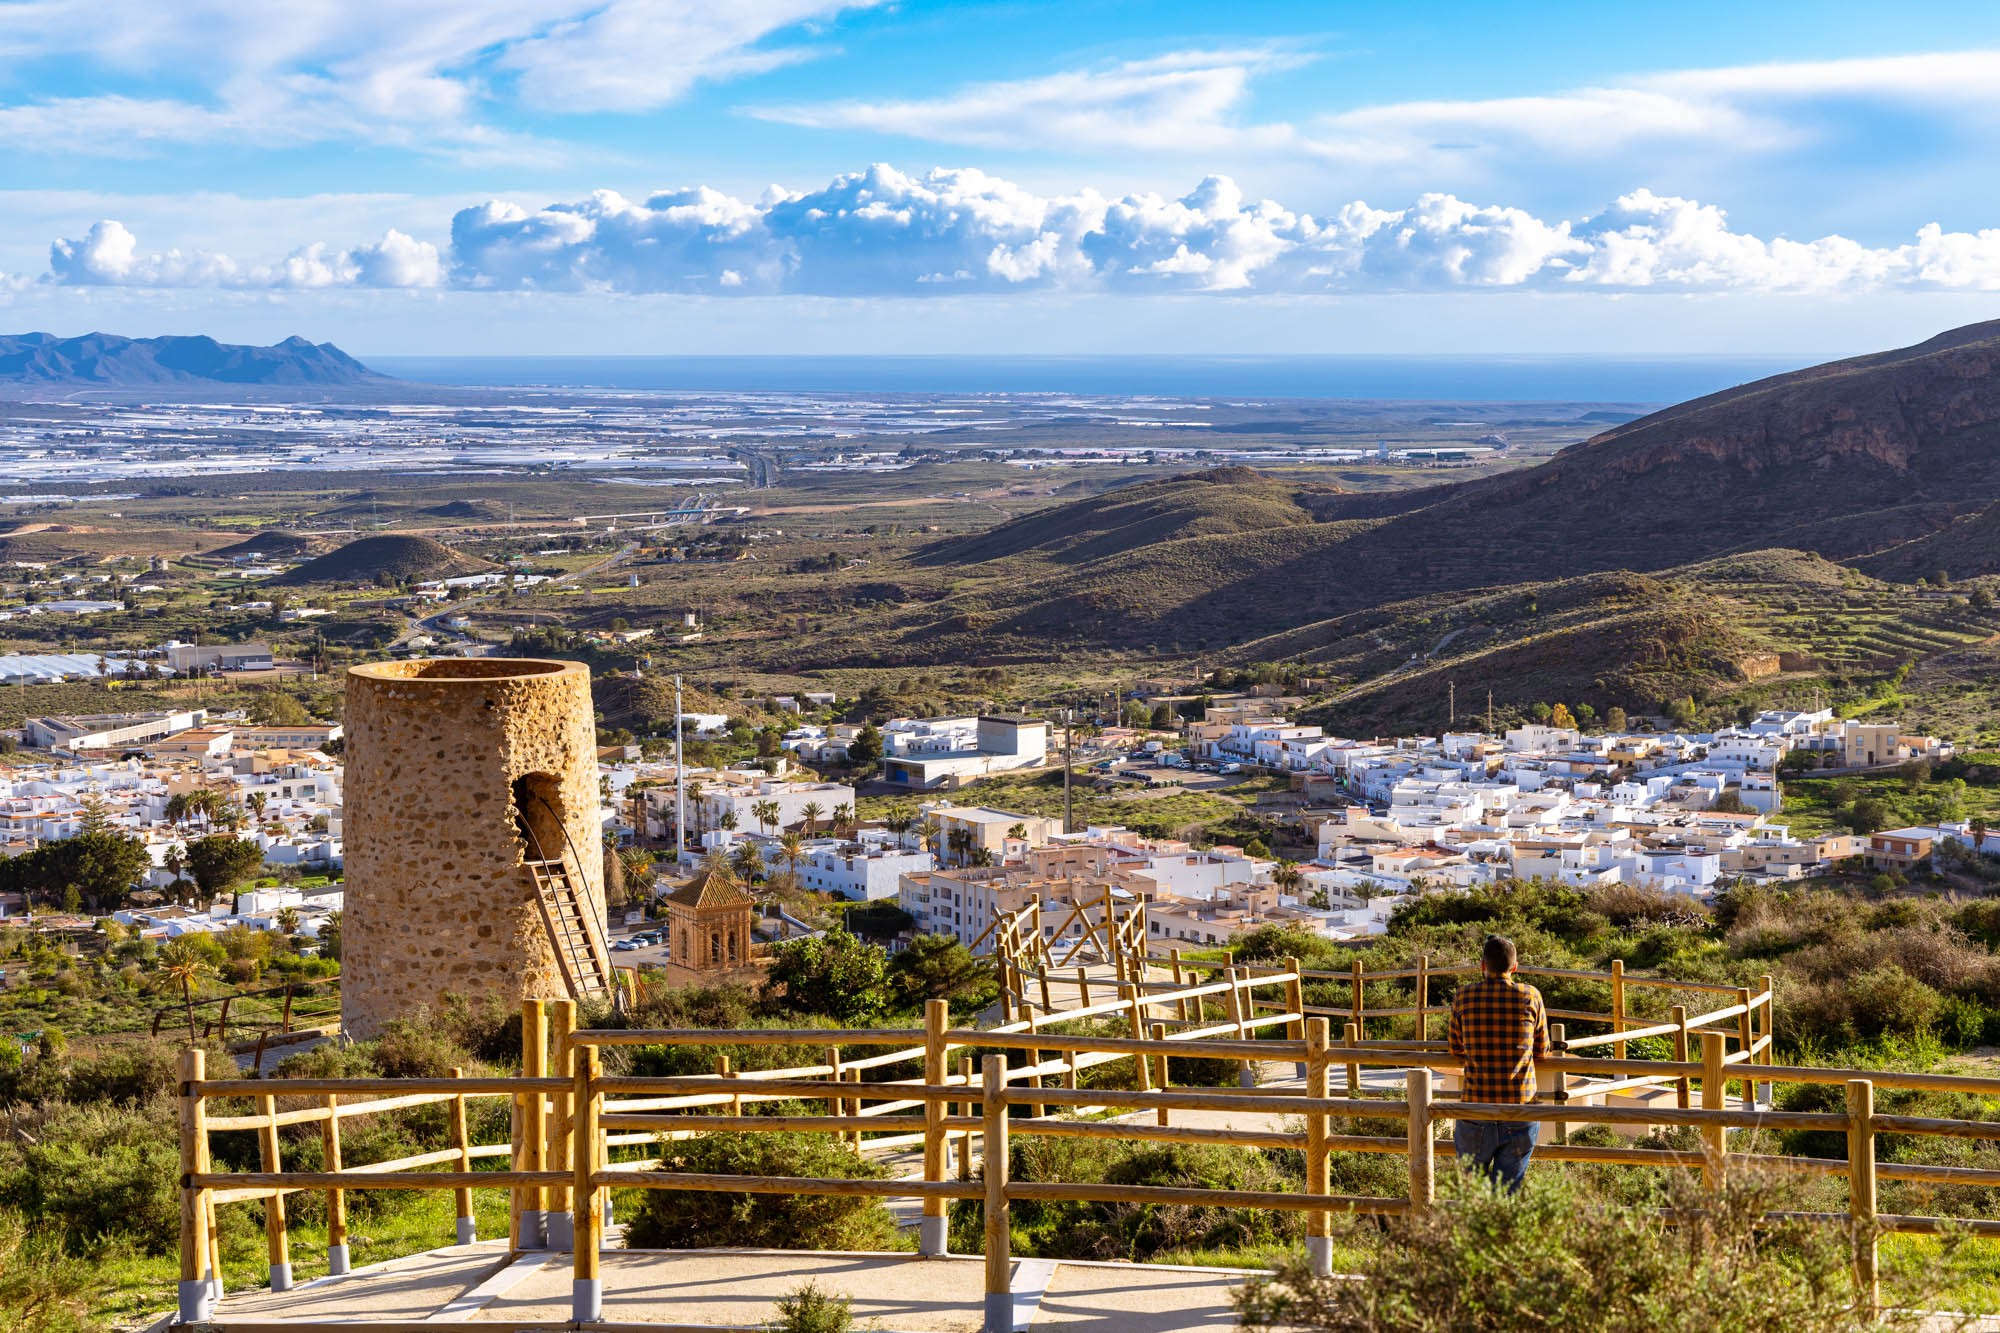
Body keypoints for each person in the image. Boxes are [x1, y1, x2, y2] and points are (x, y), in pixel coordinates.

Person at [1446, 933, 1549, 1192]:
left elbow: (1455, 1049)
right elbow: (1542, 1051)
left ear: (1483, 965)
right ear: (1515, 967)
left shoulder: (1463, 996)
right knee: (1507, 1194)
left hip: (1475, 1109)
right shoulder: (1531, 995)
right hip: (1520, 1109)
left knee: (1472, 1195)